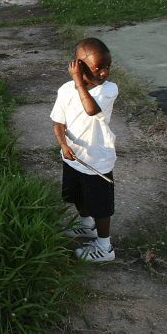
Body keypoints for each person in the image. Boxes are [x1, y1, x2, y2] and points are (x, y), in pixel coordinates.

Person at [51, 38, 119, 263]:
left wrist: (79, 83)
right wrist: (63, 145)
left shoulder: (108, 90)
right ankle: (87, 226)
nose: (104, 73)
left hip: (97, 160)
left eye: (107, 67)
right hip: (73, 156)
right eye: (98, 68)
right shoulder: (65, 90)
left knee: (100, 205)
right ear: (79, 66)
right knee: (76, 194)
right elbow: (58, 122)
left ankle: (104, 247)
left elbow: (91, 110)